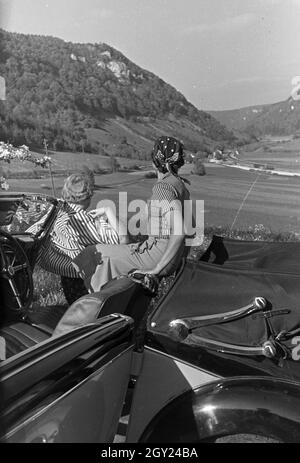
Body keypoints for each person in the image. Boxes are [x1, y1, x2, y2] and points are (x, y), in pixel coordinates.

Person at [72, 136, 191, 293]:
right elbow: (188, 230)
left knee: (93, 254)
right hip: (167, 255)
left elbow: (180, 232)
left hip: (157, 255)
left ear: (156, 159)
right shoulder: (180, 185)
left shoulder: (164, 188)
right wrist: (179, 260)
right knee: (102, 252)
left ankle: (92, 304)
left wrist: (157, 269)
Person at [26, 173, 128, 279]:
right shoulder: (83, 220)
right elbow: (123, 241)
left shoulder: (56, 212)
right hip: (89, 278)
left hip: (65, 270)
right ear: (88, 196)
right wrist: (108, 210)